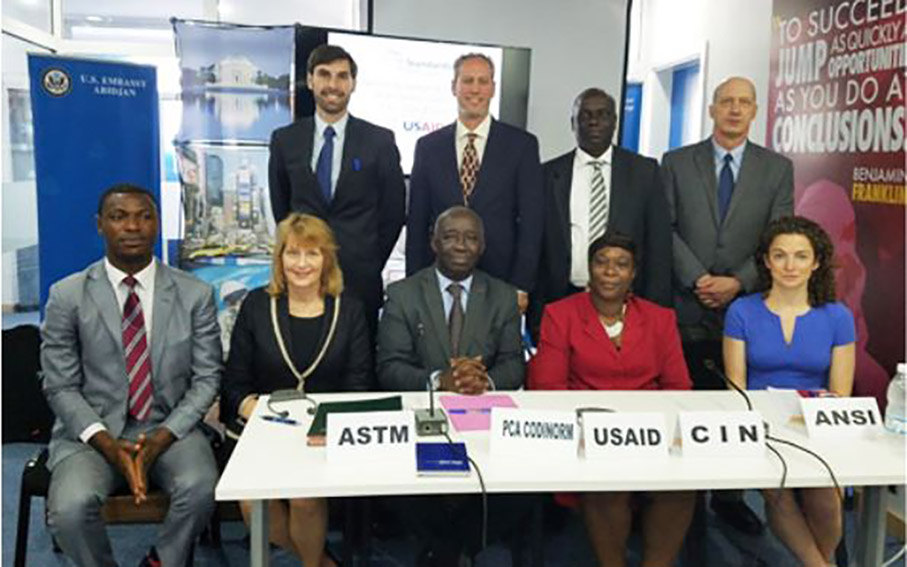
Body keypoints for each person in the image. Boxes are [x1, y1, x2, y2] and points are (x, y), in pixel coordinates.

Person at [41, 184, 222, 567]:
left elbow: (207, 378)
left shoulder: (196, 294)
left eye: (144, 216)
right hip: (91, 433)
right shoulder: (67, 295)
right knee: (70, 509)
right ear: (100, 225)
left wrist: (162, 436)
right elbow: (60, 386)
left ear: (157, 224)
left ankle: (161, 561)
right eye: (119, 217)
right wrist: (108, 445)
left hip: (172, 428)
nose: (133, 227)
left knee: (201, 487)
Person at [661, 75, 794, 535]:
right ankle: (679, 495)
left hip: (746, 304)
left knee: (738, 403)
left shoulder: (777, 169)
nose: (735, 109)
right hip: (687, 300)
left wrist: (738, 281)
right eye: (726, 102)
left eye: (744, 102)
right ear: (712, 109)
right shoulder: (676, 162)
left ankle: (730, 496)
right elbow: (665, 226)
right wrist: (698, 277)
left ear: (754, 110)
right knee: (685, 399)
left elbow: (779, 236)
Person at [529, 231, 694, 567]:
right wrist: (588, 432)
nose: (609, 271)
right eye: (601, 262)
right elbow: (548, 388)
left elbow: (678, 387)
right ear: (589, 269)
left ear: (633, 273)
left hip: (651, 433)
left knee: (681, 486)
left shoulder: (660, 318)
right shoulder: (560, 315)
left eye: (621, 264)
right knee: (607, 485)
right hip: (589, 436)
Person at [221, 213, 371, 567]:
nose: (301, 264)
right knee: (253, 500)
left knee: (305, 498)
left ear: (326, 259)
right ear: (279, 258)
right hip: (260, 429)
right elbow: (234, 381)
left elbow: (359, 382)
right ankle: (319, 563)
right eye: (292, 253)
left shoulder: (349, 309)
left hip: (323, 433)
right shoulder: (256, 305)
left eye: (312, 253)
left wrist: (327, 425)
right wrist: (253, 410)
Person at [377, 206, 525, 566]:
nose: (461, 245)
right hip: (422, 419)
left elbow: (514, 365)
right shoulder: (402, 294)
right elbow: (389, 367)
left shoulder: (503, 296)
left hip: (483, 417)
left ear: (482, 246)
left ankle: (453, 548)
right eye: (450, 236)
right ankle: (452, 549)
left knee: (523, 487)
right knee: (399, 482)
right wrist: (439, 380)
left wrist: (483, 381)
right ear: (433, 243)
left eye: (471, 238)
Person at [723, 216, 855, 567]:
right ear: (766, 261)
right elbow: (735, 387)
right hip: (761, 426)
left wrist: (807, 421)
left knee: (824, 498)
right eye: (780, 255)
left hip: (815, 424)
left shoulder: (838, 316)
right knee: (779, 493)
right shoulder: (741, 311)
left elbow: (840, 394)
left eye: (801, 256)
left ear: (816, 262)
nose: (790, 266)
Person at [269, 44, 406, 338]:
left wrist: (369, 259)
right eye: (324, 74)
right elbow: (282, 210)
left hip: (359, 278)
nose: (333, 84)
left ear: (353, 84)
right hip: (302, 278)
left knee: (359, 358)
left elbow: (393, 212)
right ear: (310, 80)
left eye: (342, 76)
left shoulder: (379, 141)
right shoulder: (285, 140)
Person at [406, 52, 543, 313]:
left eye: (483, 81)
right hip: (439, 276)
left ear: (493, 88)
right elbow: (417, 220)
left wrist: (521, 285)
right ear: (454, 87)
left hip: (500, 279)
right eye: (468, 81)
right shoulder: (428, 147)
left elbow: (532, 222)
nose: (475, 89)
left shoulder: (522, 146)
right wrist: (413, 282)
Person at [532, 87, 671, 339]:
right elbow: (536, 245)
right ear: (573, 123)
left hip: (626, 304)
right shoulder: (546, 174)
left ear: (615, 122)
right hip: (561, 300)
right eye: (585, 115)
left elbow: (658, 245)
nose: (594, 122)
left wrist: (654, 311)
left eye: (602, 114)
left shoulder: (645, 172)